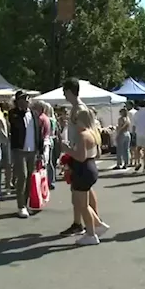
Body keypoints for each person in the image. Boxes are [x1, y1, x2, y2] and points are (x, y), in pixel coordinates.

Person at [61, 110, 110, 246]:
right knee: (82, 202)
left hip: (83, 170)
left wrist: (67, 149)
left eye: (76, 120)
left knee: (82, 205)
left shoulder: (83, 135)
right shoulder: (93, 133)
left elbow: (80, 157)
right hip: (90, 167)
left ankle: (91, 234)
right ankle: (97, 225)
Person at [60, 78, 101, 236]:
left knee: (79, 193)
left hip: (79, 154)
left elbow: (83, 132)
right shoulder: (77, 108)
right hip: (79, 152)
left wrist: (70, 151)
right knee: (84, 191)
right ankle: (89, 221)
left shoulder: (79, 109)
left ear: (70, 91)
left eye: (65, 91)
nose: (64, 95)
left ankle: (85, 223)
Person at [8, 91, 43, 218]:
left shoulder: (34, 114)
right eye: (23, 99)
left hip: (32, 150)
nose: (26, 101)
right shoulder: (14, 114)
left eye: (27, 99)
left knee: (29, 177)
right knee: (21, 176)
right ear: (17, 101)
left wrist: (40, 149)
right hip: (20, 149)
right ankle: (21, 206)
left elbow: (38, 131)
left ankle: (26, 203)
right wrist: (21, 110)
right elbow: (14, 124)